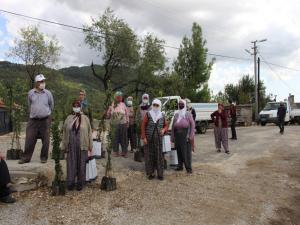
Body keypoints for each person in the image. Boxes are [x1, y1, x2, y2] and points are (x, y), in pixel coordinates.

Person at [19, 74, 54, 164]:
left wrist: (48, 115)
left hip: (45, 119)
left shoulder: (48, 93)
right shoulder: (30, 93)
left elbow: (51, 105)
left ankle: (43, 157)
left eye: (43, 81)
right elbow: (29, 105)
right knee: (29, 138)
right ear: (37, 83)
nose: (43, 83)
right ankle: (26, 157)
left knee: (46, 140)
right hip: (33, 120)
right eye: (41, 81)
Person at [60, 100, 93, 191]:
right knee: (71, 164)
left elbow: (89, 132)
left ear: (81, 107)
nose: (76, 107)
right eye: (74, 106)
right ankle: (70, 182)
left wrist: (90, 146)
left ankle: (80, 183)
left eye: (77, 106)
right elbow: (64, 132)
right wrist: (63, 145)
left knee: (82, 164)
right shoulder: (69, 118)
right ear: (72, 107)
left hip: (83, 144)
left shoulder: (85, 118)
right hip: (71, 145)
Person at [141, 99, 168, 180]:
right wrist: (144, 137)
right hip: (149, 139)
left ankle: (160, 174)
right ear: (152, 105)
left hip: (159, 140)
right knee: (149, 156)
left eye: (157, 105)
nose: (155, 107)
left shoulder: (162, 115)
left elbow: (166, 125)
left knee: (159, 156)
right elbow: (143, 126)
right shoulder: (148, 114)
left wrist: (163, 130)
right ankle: (150, 173)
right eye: (154, 105)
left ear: (159, 106)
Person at [171, 99, 195, 173]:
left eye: (182, 104)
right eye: (179, 104)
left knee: (186, 153)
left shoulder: (188, 114)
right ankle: (180, 166)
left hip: (185, 136)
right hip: (177, 135)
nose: (180, 105)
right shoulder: (176, 114)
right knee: (179, 151)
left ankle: (188, 168)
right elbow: (173, 126)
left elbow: (193, 125)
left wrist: (190, 136)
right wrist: (172, 136)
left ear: (184, 105)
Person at [107, 91, 129, 157]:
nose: (119, 98)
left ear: (121, 98)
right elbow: (108, 114)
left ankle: (124, 152)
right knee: (115, 138)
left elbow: (127, 114)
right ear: (115, 97)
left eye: (120, 97)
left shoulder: (124, 104)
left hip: (123, 123)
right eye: (117, 97)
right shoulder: (112, 104)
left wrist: (127, 122)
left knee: (124, 138)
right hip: (114, 124)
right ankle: (115, 151)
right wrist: (108, 115)